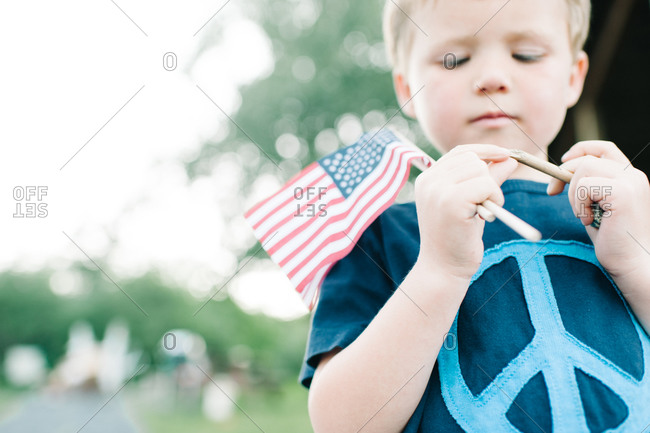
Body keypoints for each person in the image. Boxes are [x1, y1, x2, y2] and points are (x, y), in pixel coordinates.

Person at [300, 0, 650, 431]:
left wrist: (636, 261)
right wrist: (438, 270)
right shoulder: (375, 237)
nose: (491, 79)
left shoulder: (624, 213)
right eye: (455, 59)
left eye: (527, 55)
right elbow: (343, 425)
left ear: (575, 77)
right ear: (406, 86)